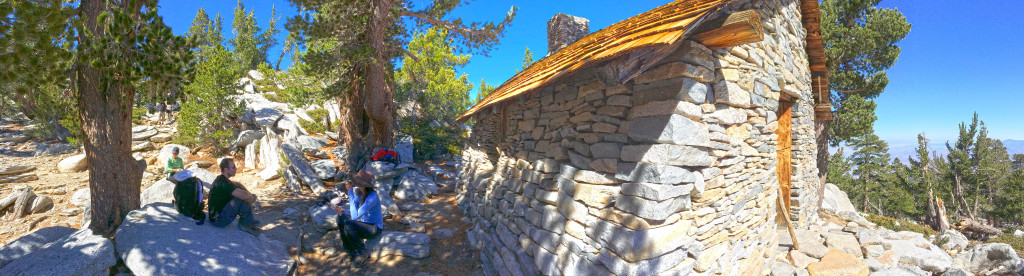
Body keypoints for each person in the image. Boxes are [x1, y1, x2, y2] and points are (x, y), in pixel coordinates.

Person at [332, 169, 382, 266]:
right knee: (340, 218)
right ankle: (350, 251)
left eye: (358, 181)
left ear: (364, 184)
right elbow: (353, 211)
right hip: (365, 224)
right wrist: (342, 211)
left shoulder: (372, 197)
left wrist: (350, 192)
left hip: (375, 228)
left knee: (349, 224)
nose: (355, 183)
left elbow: (354, 217)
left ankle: (361, 253)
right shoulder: (359, 192)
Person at [208, 158, 261, 236]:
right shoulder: (224, 183)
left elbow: (237, 184)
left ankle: (249, 220)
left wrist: (249, 194)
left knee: (241, 193)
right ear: (226, 169)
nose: (236, 169)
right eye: (233, 167)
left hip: (217, 216)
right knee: (241, 197)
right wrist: (251, 198)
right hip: (218, 220)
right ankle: (245, 224)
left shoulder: (222, 179)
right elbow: (245, 196)